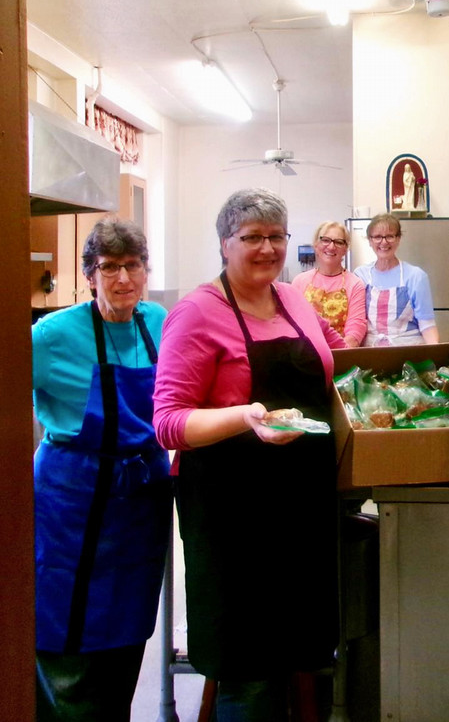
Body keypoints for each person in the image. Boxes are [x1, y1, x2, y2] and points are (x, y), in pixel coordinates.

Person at [153, 188, 347, 721]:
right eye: (252, 237)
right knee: (249, 667)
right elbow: (168, 423)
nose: (266, 248)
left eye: (276, 236)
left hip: (300, 508)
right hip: (232, 516)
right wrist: (245, 417)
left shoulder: (294, 298)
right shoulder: (197, 312)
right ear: (224, 243)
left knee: (300, 647)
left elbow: (336, 357)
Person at [32, 217, 172, 721]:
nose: (122, 280)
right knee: (66, 629)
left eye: (132, 266)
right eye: (109, 267)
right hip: (71, 502)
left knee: (127, 627)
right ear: (90, 274)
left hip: (140, 504)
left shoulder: (159, 322)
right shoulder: (49, 337)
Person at [354, 213, 439, 346]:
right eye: (377, 237)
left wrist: (436, 354)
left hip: (408, 352)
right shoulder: (360, 275)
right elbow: (356, 322)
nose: (384, 242)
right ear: (370, 241)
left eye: (390, 236)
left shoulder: (416, 276)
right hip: (370, 352)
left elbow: (427, 325)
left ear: (398, 239)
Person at [292, 220, 367, 346]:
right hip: (305, 355)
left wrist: (338, 356)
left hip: (341, 356)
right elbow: (292, 324)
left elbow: (356, 329)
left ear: (345, 249)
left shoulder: (355, 284)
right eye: (326, 240)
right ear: (316, 245)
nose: (331, 247)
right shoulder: (300, 281)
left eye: (338, 242)